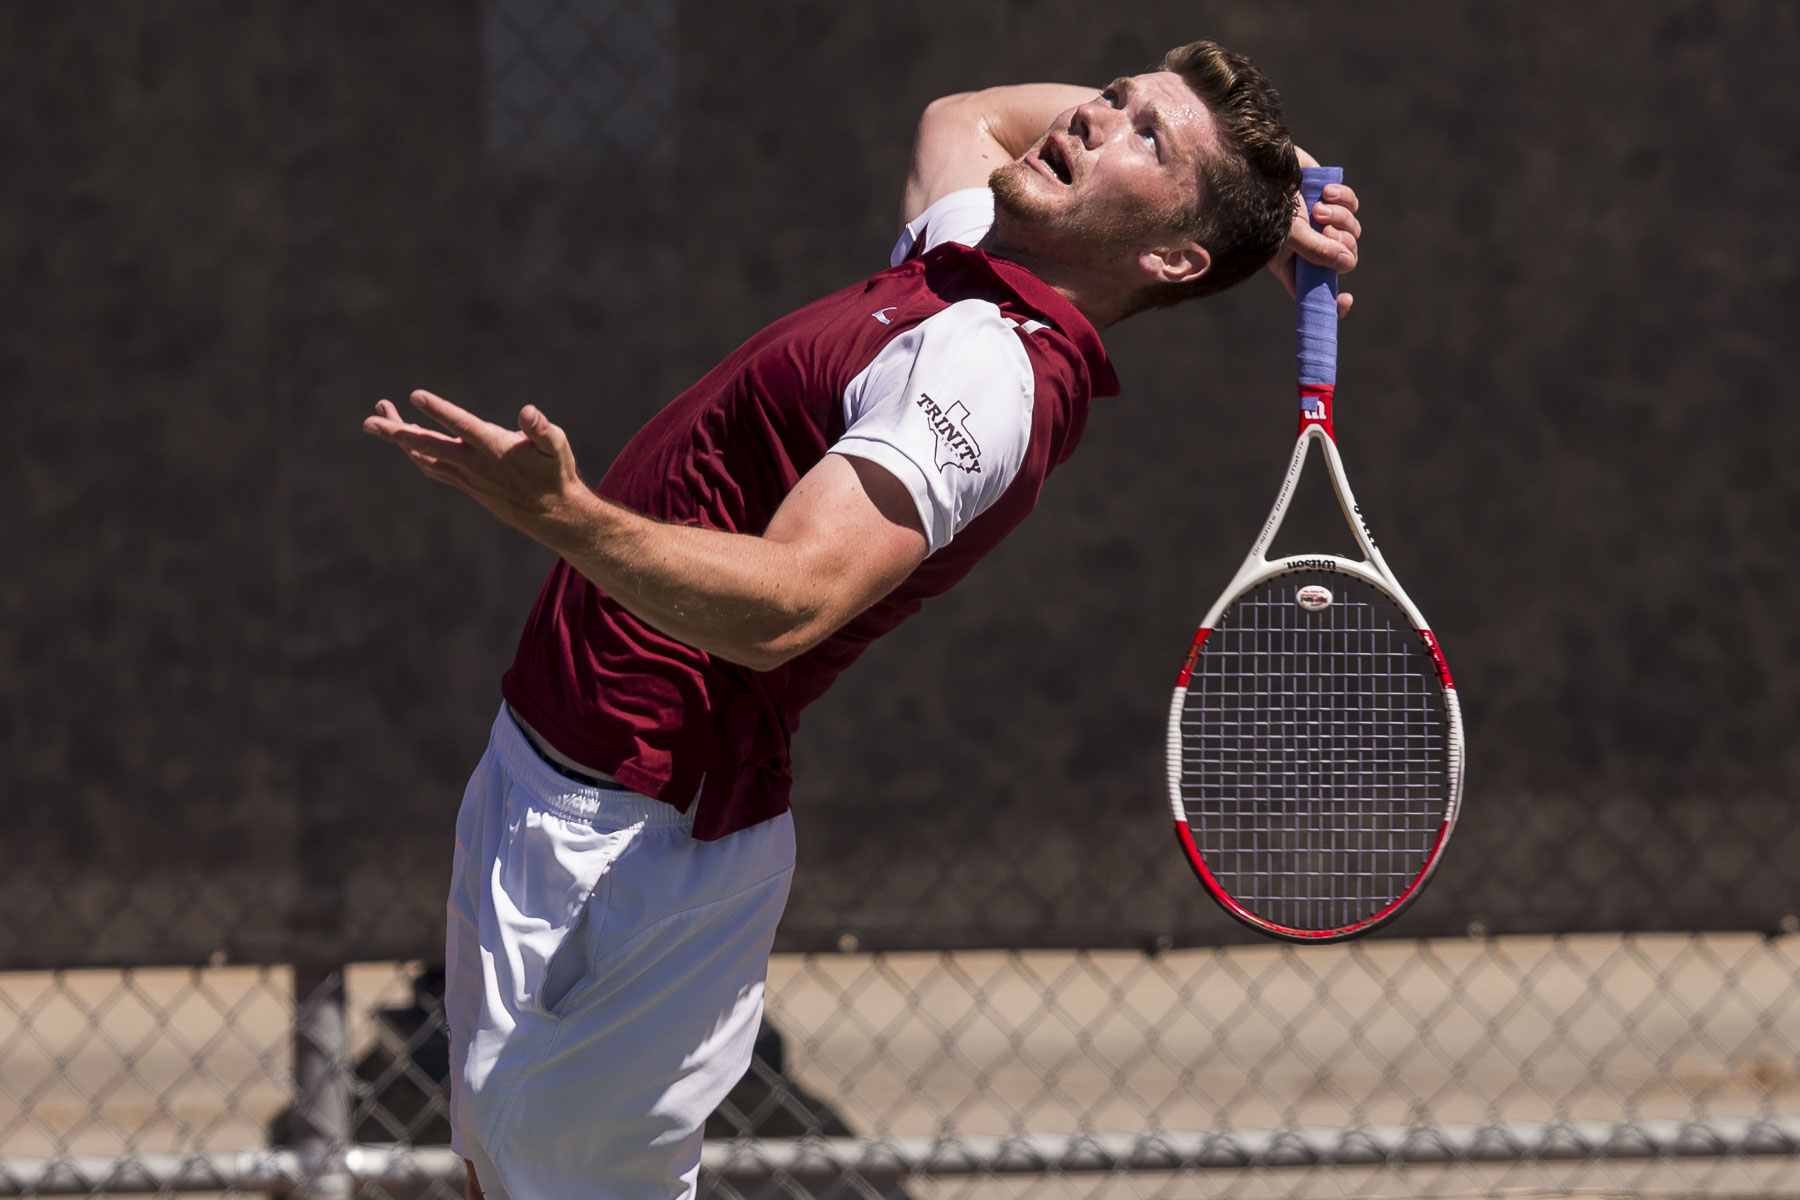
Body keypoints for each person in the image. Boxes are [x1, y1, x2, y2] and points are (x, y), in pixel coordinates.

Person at [364, 39, 1362, 1200]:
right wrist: (1278, 174)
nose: (1094, 117)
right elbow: (970, 113)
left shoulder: (984, 370)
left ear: (1169, 255)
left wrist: (566, 515)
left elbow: (789, 606)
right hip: (555, 776)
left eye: (1143, 136)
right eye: (1114, 95)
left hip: (636, 845)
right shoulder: (967, 265)